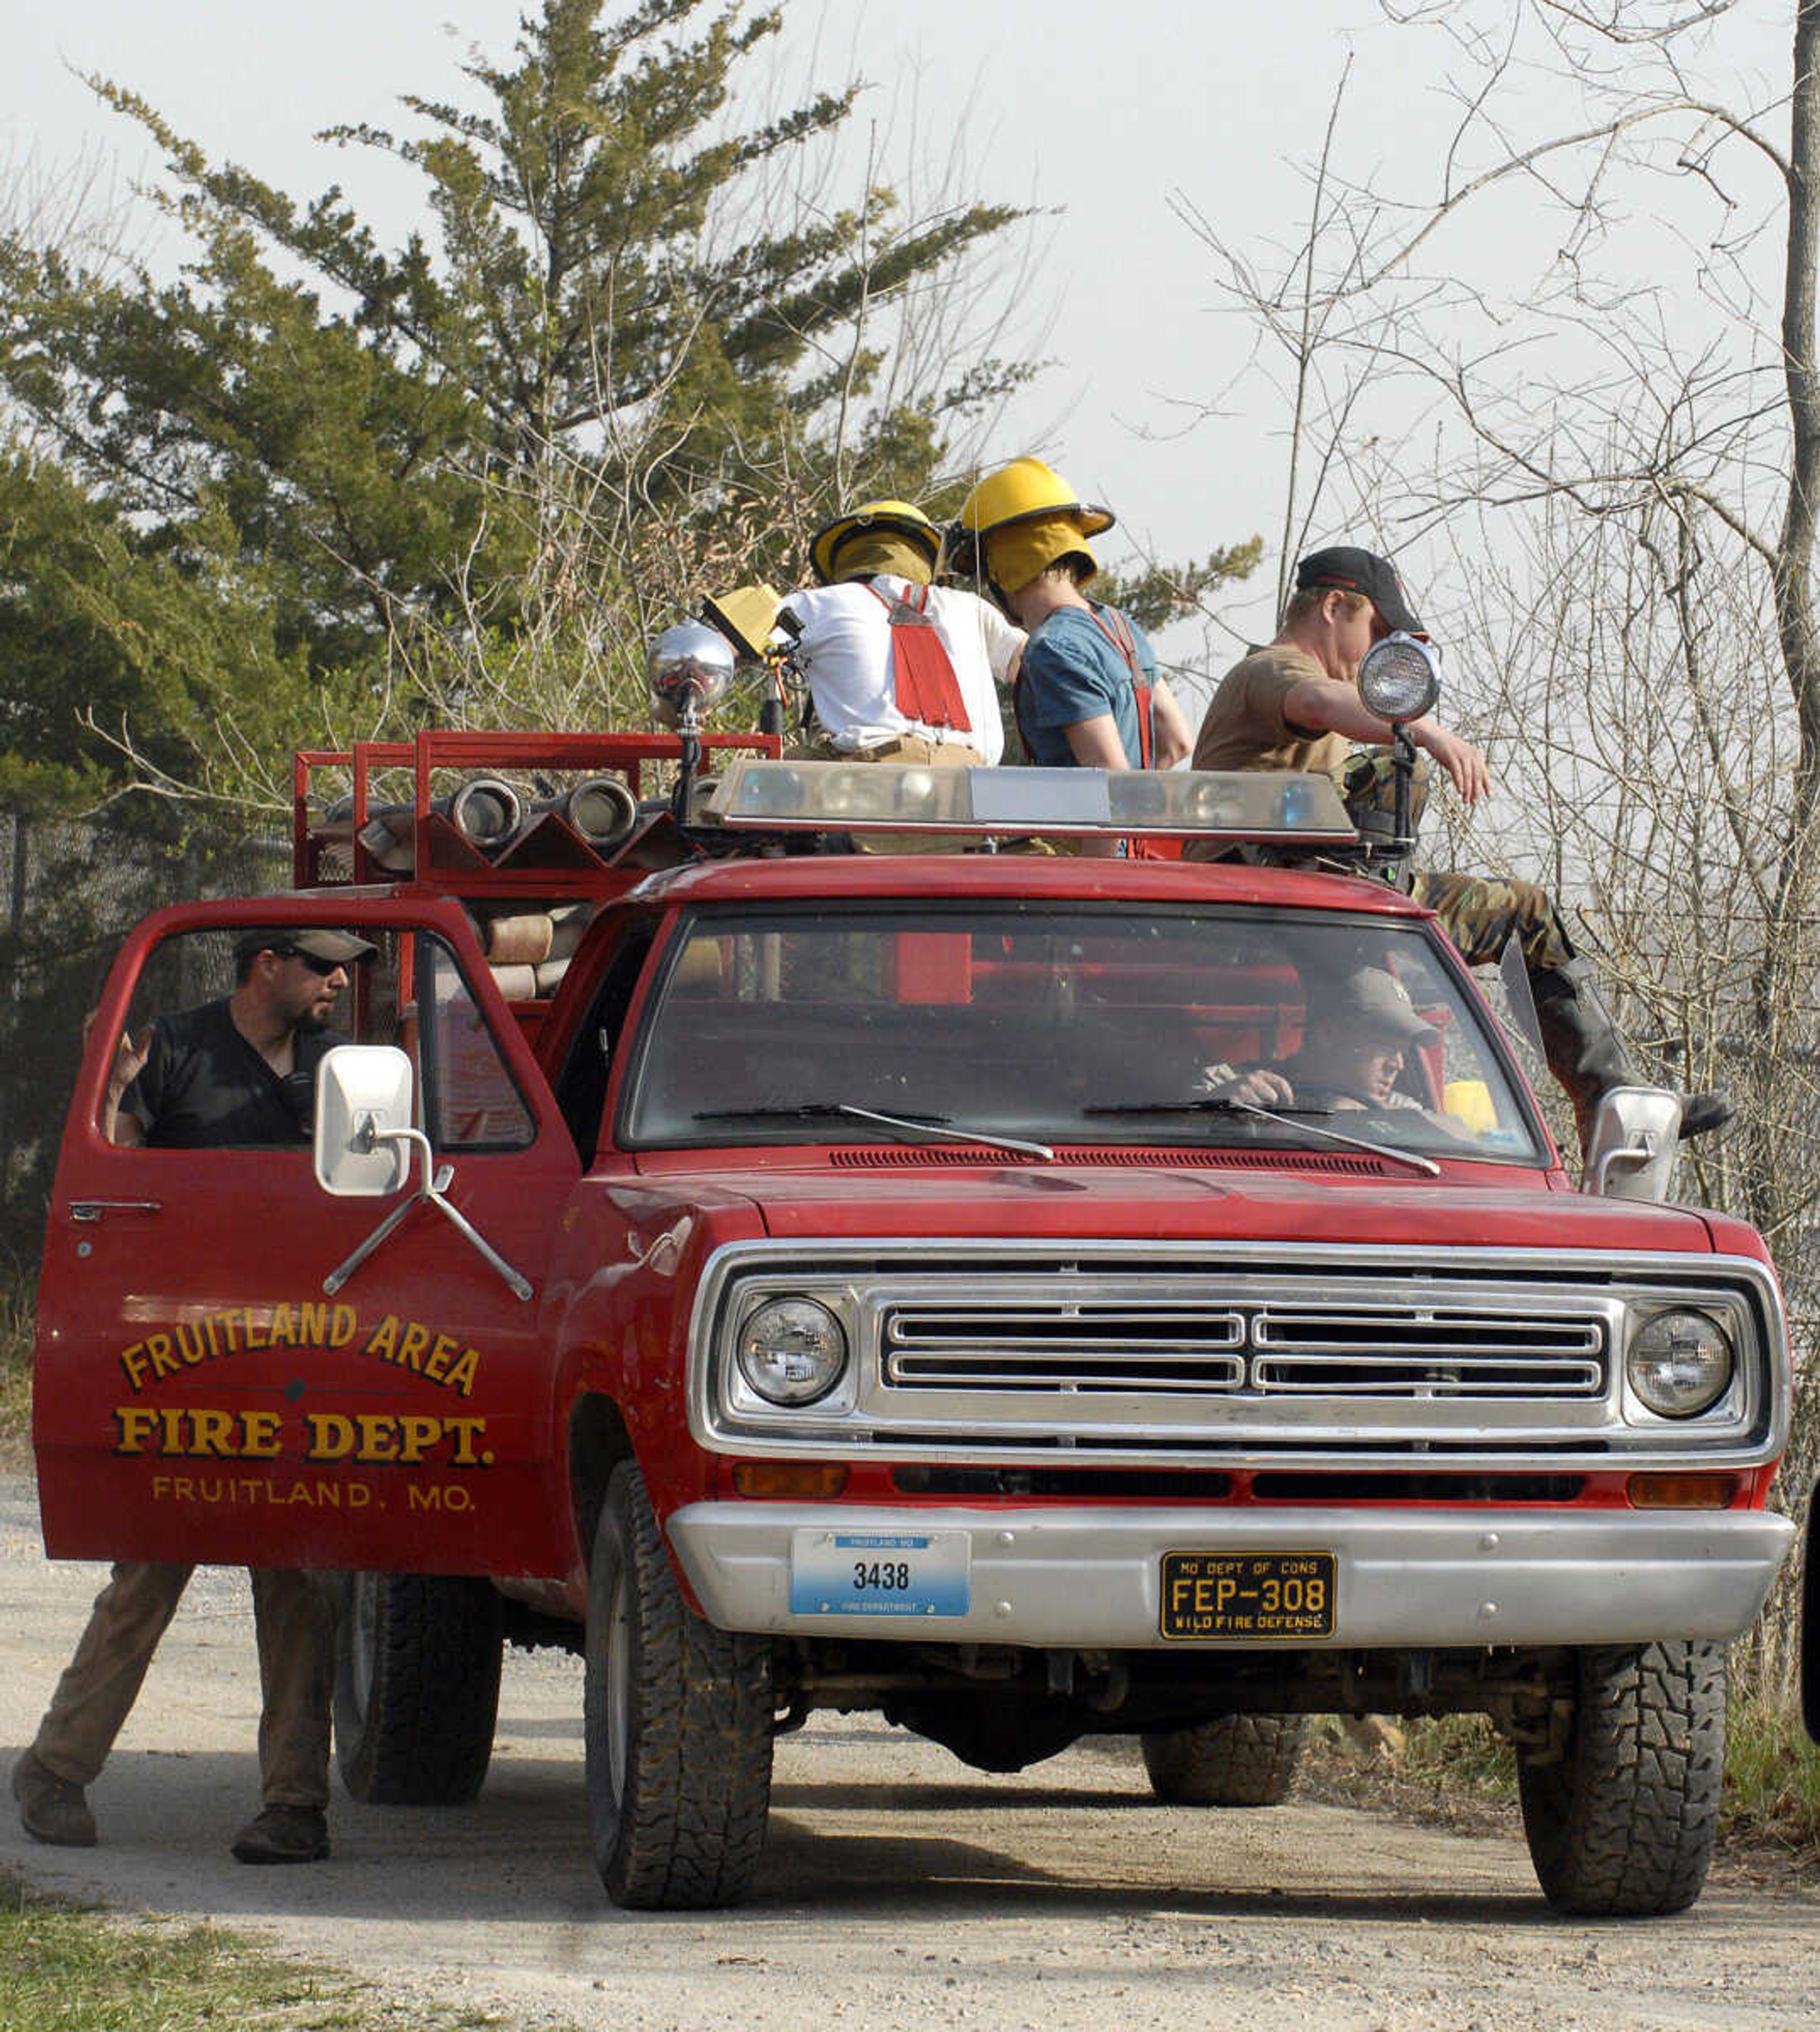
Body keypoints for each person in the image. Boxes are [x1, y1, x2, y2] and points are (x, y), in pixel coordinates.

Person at [11, 925, 374, 1865]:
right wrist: (114, 1089)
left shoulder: (345, 1070)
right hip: (182, 1352)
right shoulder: (169, 1049)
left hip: (300, 1350)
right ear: (266, 966)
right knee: (149, 1571)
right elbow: (109, 1178)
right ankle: (54, 1771)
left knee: (299, 1575)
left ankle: (294, 1805)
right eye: (322, 962)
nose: (339, 978)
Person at [1188, 544, 1729, 1151]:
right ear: (1335, 607)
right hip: (1268, 896)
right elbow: (1318, 704)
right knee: (1413, 787)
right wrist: (1423, 729)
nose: (1377, 653)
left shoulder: (1314, 687)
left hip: (1323, 893)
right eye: (1377, 631)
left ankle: (1614, 1108)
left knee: (1521, 911)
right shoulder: (1274, 670)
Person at [946, 457, 1192, 857]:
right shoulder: (1121, 627)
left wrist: (1094, 888)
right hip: (1137, 864)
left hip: (1090, 875)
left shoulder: (1051, 650)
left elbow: (1110, 783)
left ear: (1001, 568)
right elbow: (1178, 741)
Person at [779, 498, 1025, 769]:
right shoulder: (971, 606)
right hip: (971, 787)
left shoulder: (818, 603)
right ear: (928, 558)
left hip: (870, 784)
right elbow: (1031, 663)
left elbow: (735, 640)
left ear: (844, 555)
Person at [1204, 965, 1469, 1138]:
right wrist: (1222, 1106)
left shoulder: (1391, 1106)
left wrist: (1363, 1116)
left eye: (1403, 1052)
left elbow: (1462, 1137)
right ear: (1327, 1035)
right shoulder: (1231, 1083)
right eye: (1386, 1047)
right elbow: (1172, 1133)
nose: (1397, 1064)